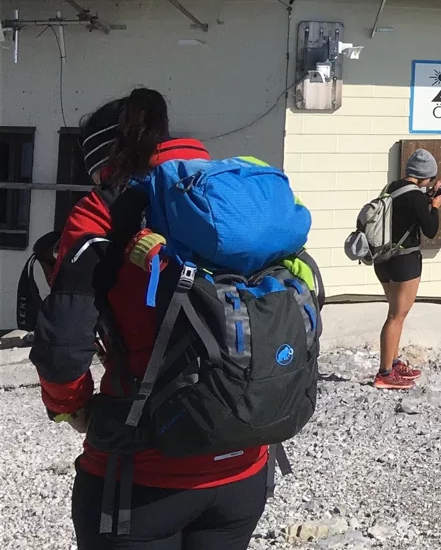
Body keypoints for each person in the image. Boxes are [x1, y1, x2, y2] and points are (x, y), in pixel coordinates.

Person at [31, 88, 270, 549]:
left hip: (141, 475)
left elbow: (63, 348)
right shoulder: (230, 201)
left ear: (106, 161)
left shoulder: (101, 213)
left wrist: (70, 408)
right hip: (245, 462)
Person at [372, 150, 441, 390]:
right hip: (405, 260)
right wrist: (435, 205)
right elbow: (431, 229)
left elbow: (404, 215)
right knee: (396, 316)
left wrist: (427, 201)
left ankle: (393, 364)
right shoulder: (415, 196)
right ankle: (384, 373)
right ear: (425, 177)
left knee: (395, 313)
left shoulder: (391, 188)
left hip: (383, 258)